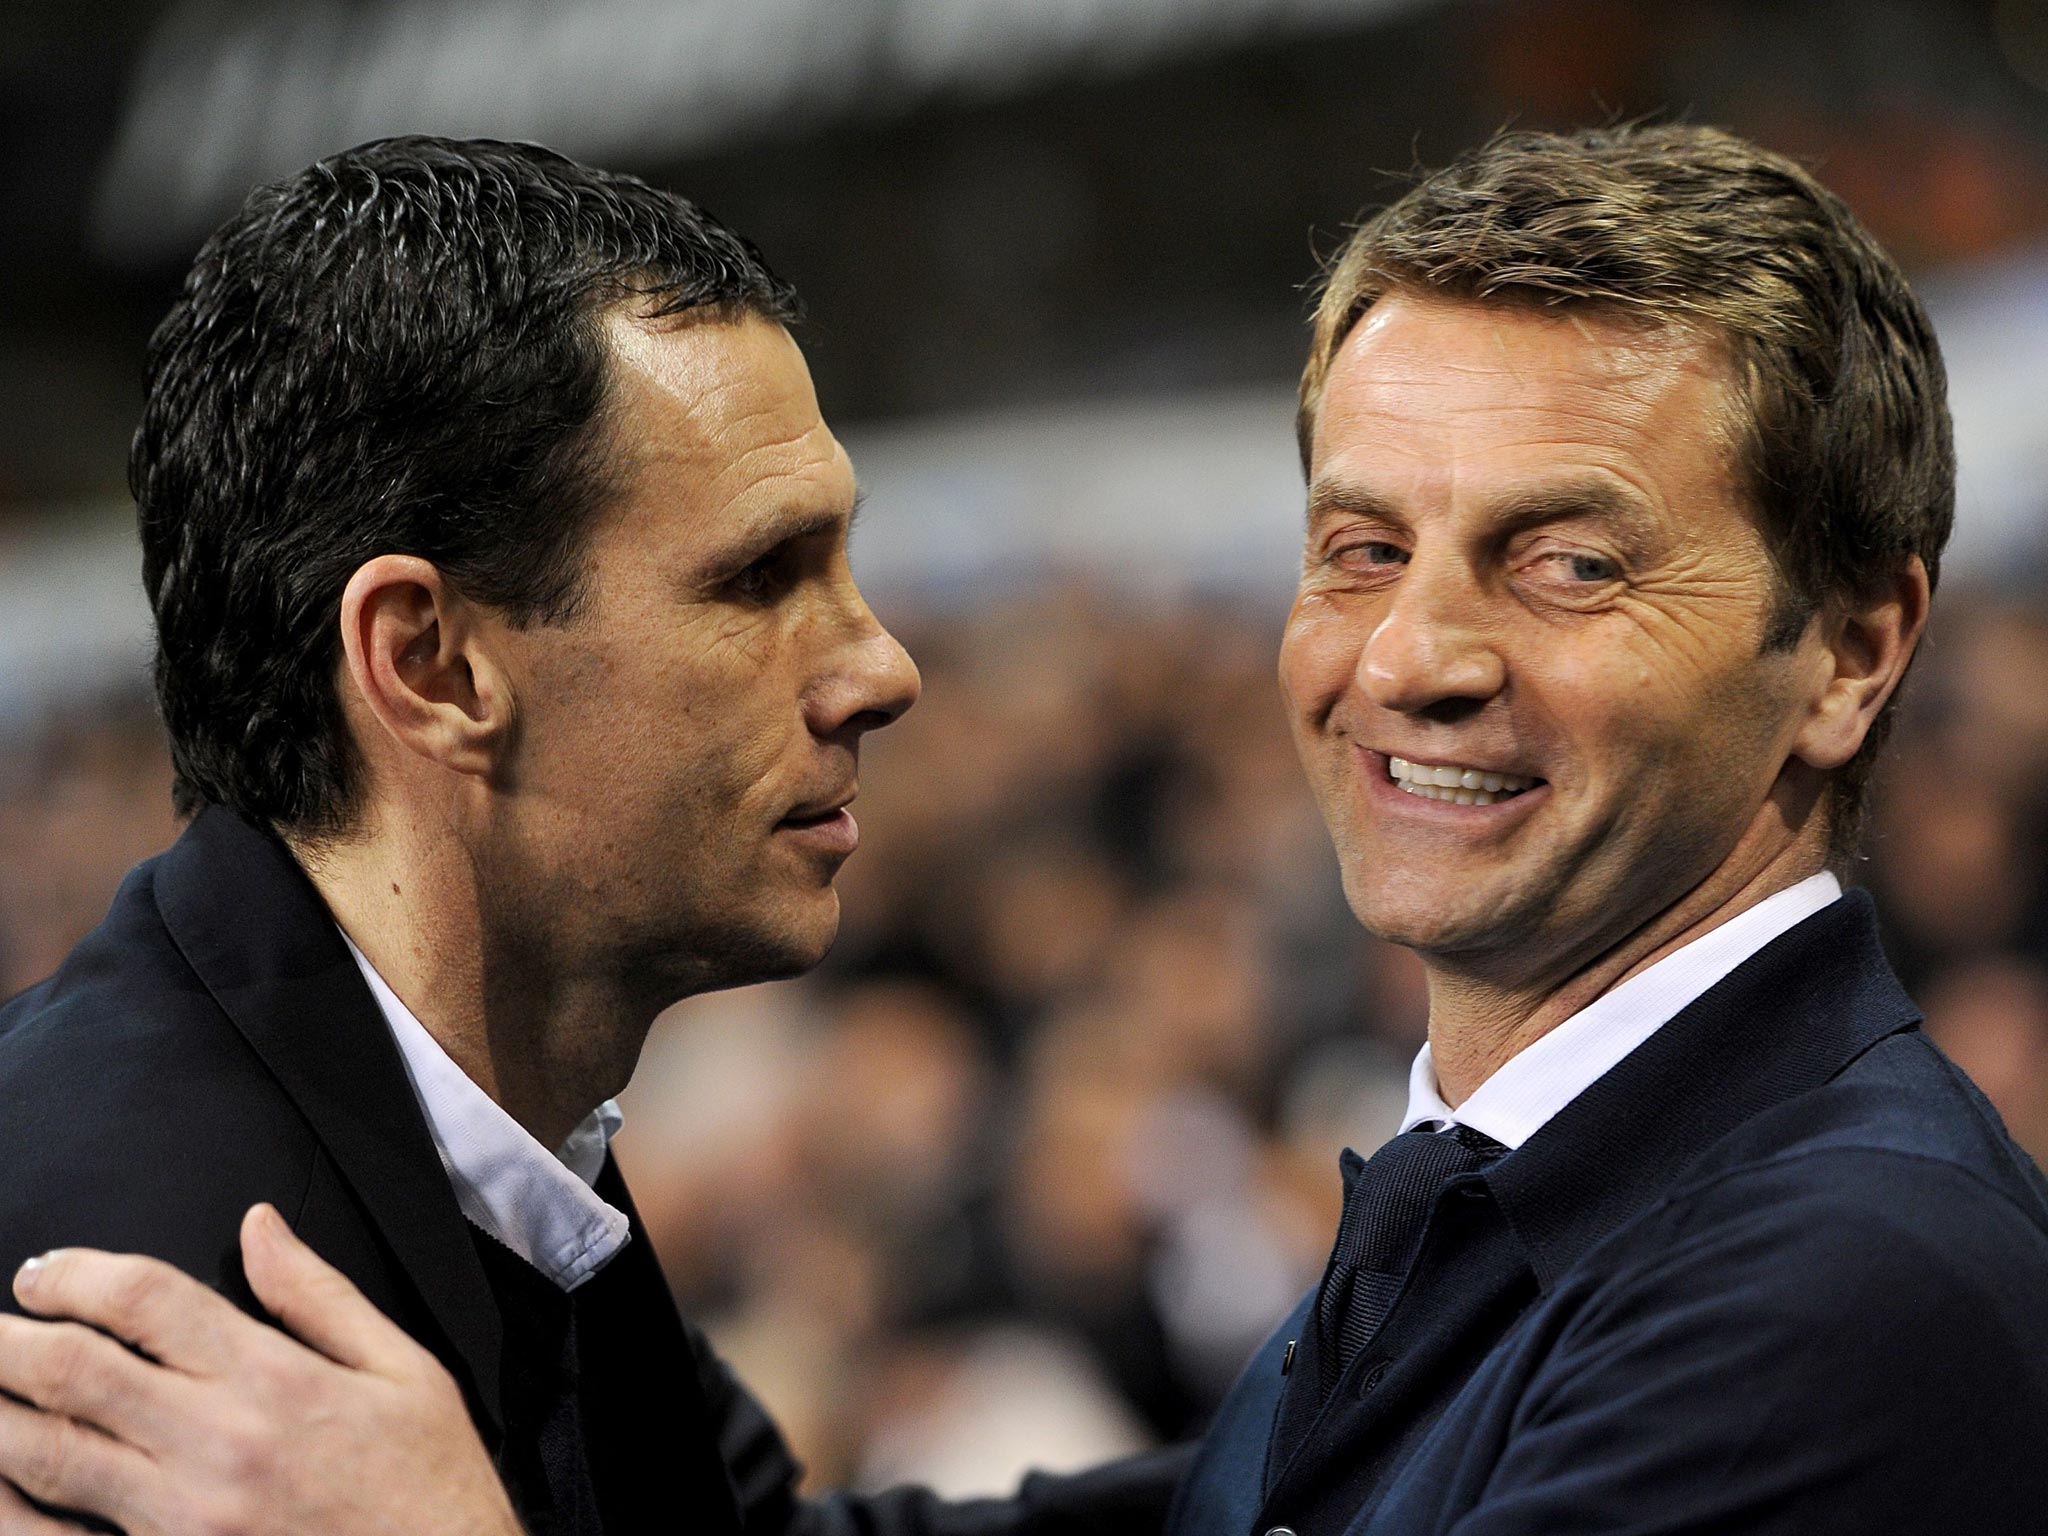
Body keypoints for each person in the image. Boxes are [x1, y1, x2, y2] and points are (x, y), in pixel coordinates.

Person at [7, 121, 2048, 1534]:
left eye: (1565, 565)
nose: (1408, 655)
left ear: (1852, 647)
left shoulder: (1845, 1293)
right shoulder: (123, 1301)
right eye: (1355, 547)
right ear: (430, 663)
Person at [0, 137, 1184, 1534]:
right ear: (430, 667)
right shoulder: (129, 1312)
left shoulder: (459, 1116)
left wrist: (1402, 1409)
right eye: (759, 578)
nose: (882, 668)